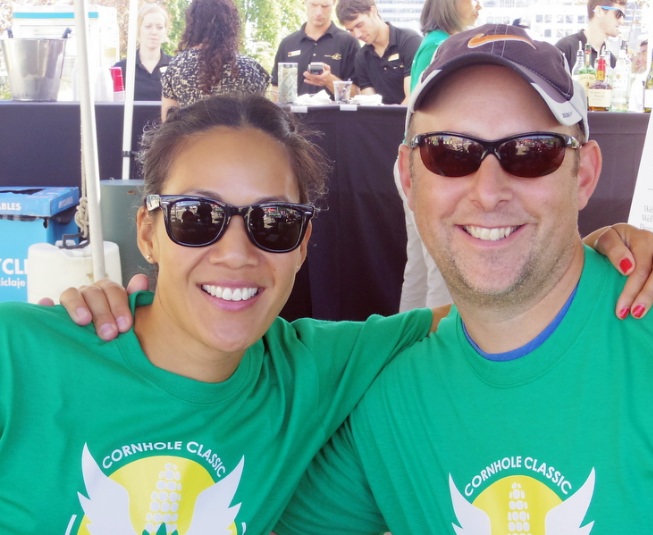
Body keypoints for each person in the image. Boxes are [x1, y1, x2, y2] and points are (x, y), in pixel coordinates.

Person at [275, 24, 653, 534]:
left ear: (586, 175)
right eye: (449, 152)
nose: (488, 192)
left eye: (532, 152)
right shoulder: (386, 398)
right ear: (408, 177)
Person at [0, 94, 442, 532]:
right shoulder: (19, 354)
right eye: (196, 216)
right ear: (148, 233)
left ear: (303, 245)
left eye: (274, 221)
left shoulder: (310, 372)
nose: (235, 254)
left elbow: (486, 321)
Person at [397, 0, 482, 311]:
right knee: (441, 268)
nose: (479, 6)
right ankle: (436, 350)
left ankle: (408, 344)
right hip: (431, 166)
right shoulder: (444, 48)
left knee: (421, 267)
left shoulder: (432, 45)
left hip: (420, 162)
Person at [160, 0, 269, 120]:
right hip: (237, 138)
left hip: (193, 138)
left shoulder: (176, 67)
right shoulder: (251, 69)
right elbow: (260, 120)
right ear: (231, 25)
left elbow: (168, 122)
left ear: (193, 24)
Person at [335, 0, 421, 105]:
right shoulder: (362, 57)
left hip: (411, 118)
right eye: (351, 30)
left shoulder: (409, 41)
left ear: (373, 11)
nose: (357, 35)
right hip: (380, 119)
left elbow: (412, 97)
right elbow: (370, 104)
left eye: (359, 25)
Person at [270, 0, 359, 100]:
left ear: (334, 3)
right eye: (314, 5)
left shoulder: (348, 42)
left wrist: (329, 80)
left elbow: (357, 93)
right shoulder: (287, 44)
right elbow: (276, 87)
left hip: (334, 115)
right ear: (304, 2)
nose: (319, 12)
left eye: (325, 6)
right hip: (294, 115)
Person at [112, 3, 173, 101]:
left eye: (159, 27)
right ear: (138, 29)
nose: (154, 32)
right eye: (148, 26)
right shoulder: (121, 69)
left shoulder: (175, 67)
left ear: (165, 31)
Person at [556, 0, 626, 72]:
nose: (622, 21)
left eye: (623, 16)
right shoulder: (566, 47)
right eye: (618, 14)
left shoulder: (611, 60)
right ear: (599, 11)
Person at [629, 40, 653, 112]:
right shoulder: (638, 81)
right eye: (640, 54)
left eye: (644, 53)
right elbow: (634, 109)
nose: (640, 58)